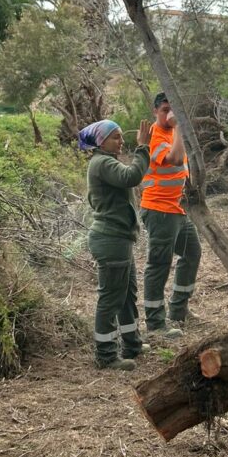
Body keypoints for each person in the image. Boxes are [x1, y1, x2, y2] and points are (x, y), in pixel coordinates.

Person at [79, 118, 152, 371]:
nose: (121, 141)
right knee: (111, 298)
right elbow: (132, 176)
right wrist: (143, 148)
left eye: (121, 136)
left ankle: (131, 343)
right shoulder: (102, 163)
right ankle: (106, 355)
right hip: (110, 239)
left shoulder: (105, 161)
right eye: (116, 137)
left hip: (119, 238)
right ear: (101, 141)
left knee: (126, 294)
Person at [140, 92, 202, 338]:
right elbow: (175, 158)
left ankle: (178, 309)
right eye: (165, 109)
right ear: (155, 111)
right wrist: (178, 126)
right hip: (158, 210)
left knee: (192, 252)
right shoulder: (156, 135)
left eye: (173, 109)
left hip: (176, 209)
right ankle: (155, 323)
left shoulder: (172, 133)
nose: (170, 114)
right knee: (159, 265)